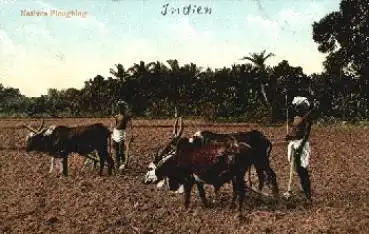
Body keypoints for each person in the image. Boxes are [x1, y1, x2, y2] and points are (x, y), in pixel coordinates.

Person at [284, 96, 313, 204]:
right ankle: (300, 190)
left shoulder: (307, 118)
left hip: (302, 145)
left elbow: (305, 135)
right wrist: (289, 137)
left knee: (302, 171)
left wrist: (300, 148)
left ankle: (308, 196)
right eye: (298, 107)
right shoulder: (297, 117)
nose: (298, 108)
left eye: (301, 107)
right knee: (296, 169)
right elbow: (295, 132)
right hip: (294, 144)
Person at [111, 100, 132, 170]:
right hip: (116, 133)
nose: (120, 109)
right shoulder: (117, 116)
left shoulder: (126, 117)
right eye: (119, 107)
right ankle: (117, 165)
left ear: (123, 108)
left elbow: (129, 126)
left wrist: (131, 135)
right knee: (116, 151)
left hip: (121, 134)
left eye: (121, 107)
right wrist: (112, 134)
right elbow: (114, 125)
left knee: (120, 151)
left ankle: (124, 164)